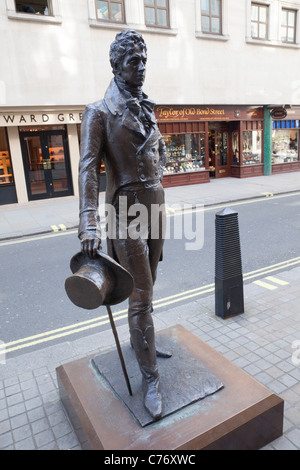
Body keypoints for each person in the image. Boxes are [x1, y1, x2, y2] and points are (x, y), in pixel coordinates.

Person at [78, 30, 169, 420]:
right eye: (134, 61)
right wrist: (88, 223)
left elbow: (159, 150)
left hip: (155, 206)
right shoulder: (99, 112)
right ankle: (150, 377)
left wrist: (157, 177)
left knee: (152, 281)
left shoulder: (147, 107)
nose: (142, 68)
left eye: (144, 60)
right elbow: (88, 170)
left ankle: (142, 342)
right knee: (140, 292)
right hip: (127, 211)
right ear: (116, 66)